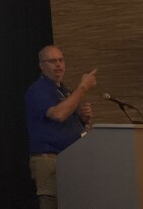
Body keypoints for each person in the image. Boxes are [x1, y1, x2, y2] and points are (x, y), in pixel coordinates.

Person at [25, 45, 97, 209]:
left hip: (70, 159)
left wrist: (82, 118)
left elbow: (67, 119)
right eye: (52, 61)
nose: (58, 65)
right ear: (42, 66)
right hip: (50, 161)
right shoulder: (37, 90)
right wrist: (83, 87)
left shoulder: (64, 90)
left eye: (61, 60)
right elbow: (58, 115)